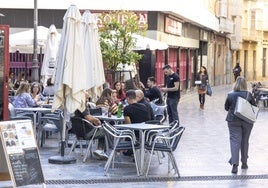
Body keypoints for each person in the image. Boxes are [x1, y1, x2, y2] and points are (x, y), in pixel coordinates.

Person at [224, 76, 257, 174]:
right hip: (247, 121)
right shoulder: (248, 94)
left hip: (233, 121)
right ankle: (244, 163)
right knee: (245, 141)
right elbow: (254, 107)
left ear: (236, 84)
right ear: (245, 85)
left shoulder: (230, 95)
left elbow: (226, 108)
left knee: (235, 142)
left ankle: (235, 165)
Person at [74, 93, 108, 160]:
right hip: (86, 133)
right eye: (86, 98)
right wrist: (97, 120)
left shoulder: (76, 106)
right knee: (105, 130)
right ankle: (100, 150)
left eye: (88, 98)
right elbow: (89, 118)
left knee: (101, 129)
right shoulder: (82, 106)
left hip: (78, 133)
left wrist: (94, 120)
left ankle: (101, 151)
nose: (87, 100)